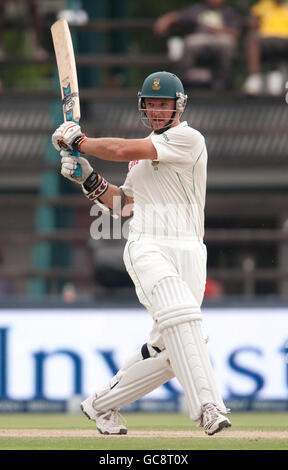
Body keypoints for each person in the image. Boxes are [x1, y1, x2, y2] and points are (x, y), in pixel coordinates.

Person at [51, 71, 231, 436]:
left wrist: (80, 143)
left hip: (191, 250)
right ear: (143, 106)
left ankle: (101, 405)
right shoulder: (141, 157)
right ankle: (208, 407)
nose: (158, 110)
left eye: (165, 104)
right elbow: (125, 204)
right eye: (152, 104)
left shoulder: (188, 138)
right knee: (181, 317)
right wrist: (89, 179)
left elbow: (119, 149)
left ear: (179, 106)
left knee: (170, 347)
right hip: (147, 244)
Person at [154, 0, 240, 90]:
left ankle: (224, 77)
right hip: (201, 37)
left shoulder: (229, 12)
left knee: (227, 43)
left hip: (222, 37)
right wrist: (164, 20)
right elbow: (179, 16)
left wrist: (219, 31)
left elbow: (236, 34)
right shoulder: (198, 9)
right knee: (190, 42)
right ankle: (184, 77)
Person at [243, 0, 288, 96]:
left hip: (285, 39)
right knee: (252, 39)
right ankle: (254, 78)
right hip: (265, 38)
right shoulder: (263, 5)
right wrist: (253, 23)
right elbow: (253, 21)